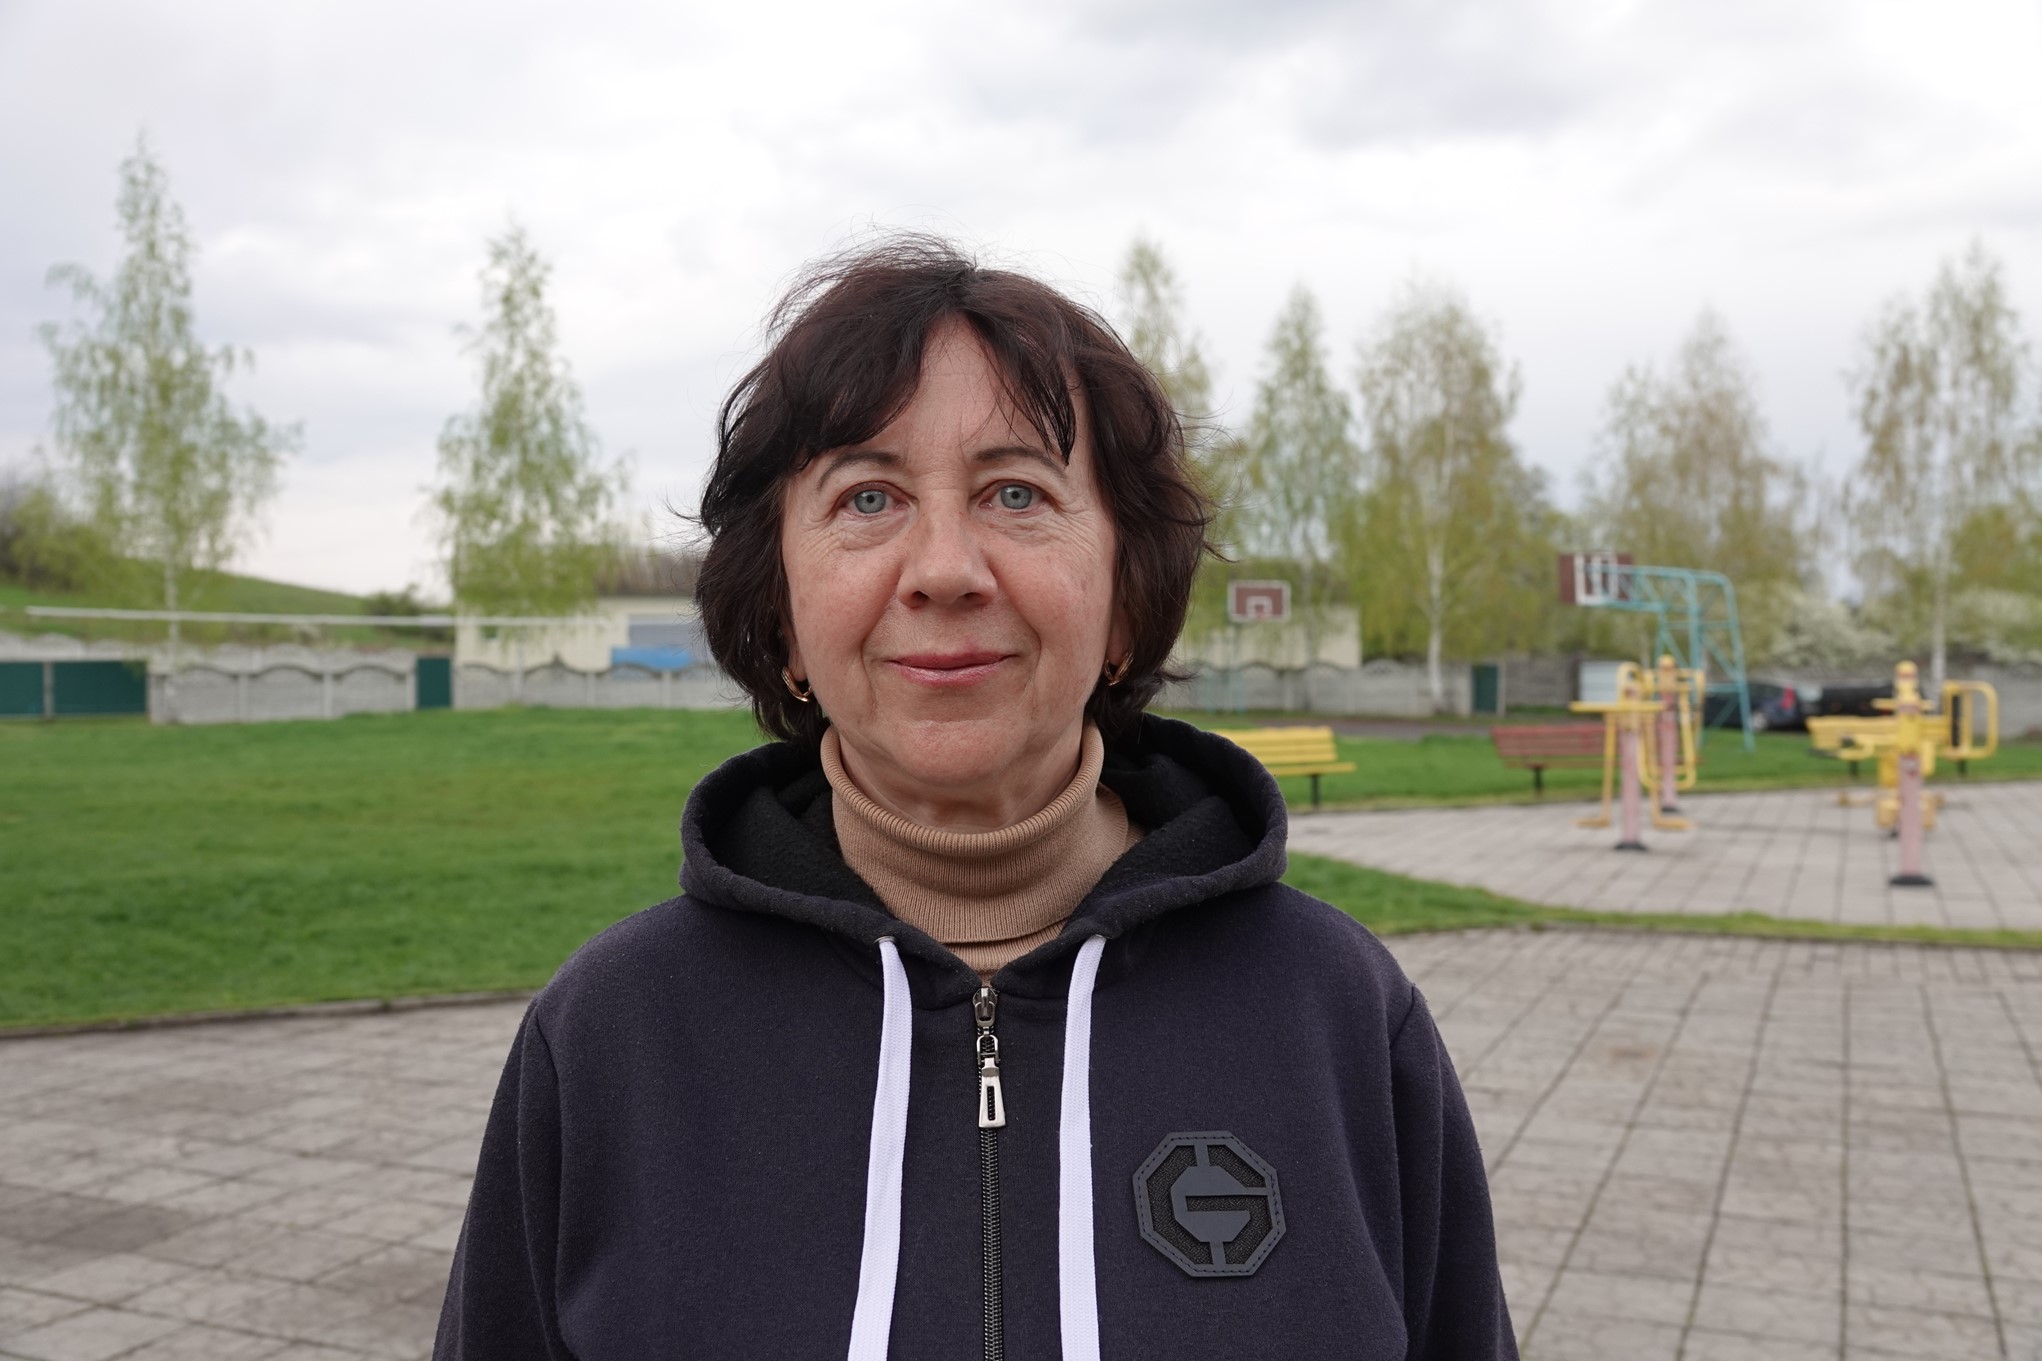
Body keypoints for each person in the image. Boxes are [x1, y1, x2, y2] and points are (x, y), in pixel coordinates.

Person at [434, 237, 1516, 1360]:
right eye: (867, 496)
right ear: (781, 613)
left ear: (1128, 599)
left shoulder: (1334, 1015)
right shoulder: (614, 1035)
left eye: (1015, 491)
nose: (943, 566)